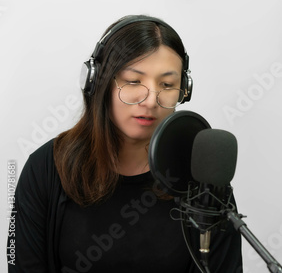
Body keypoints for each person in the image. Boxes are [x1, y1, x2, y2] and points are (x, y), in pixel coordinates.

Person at [7, 14, 242, 273]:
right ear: (98, 81)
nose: (151, 100)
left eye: (167, 84)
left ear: (183, 90)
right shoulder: (46, 168)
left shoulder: (203, 177)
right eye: (133, 81)